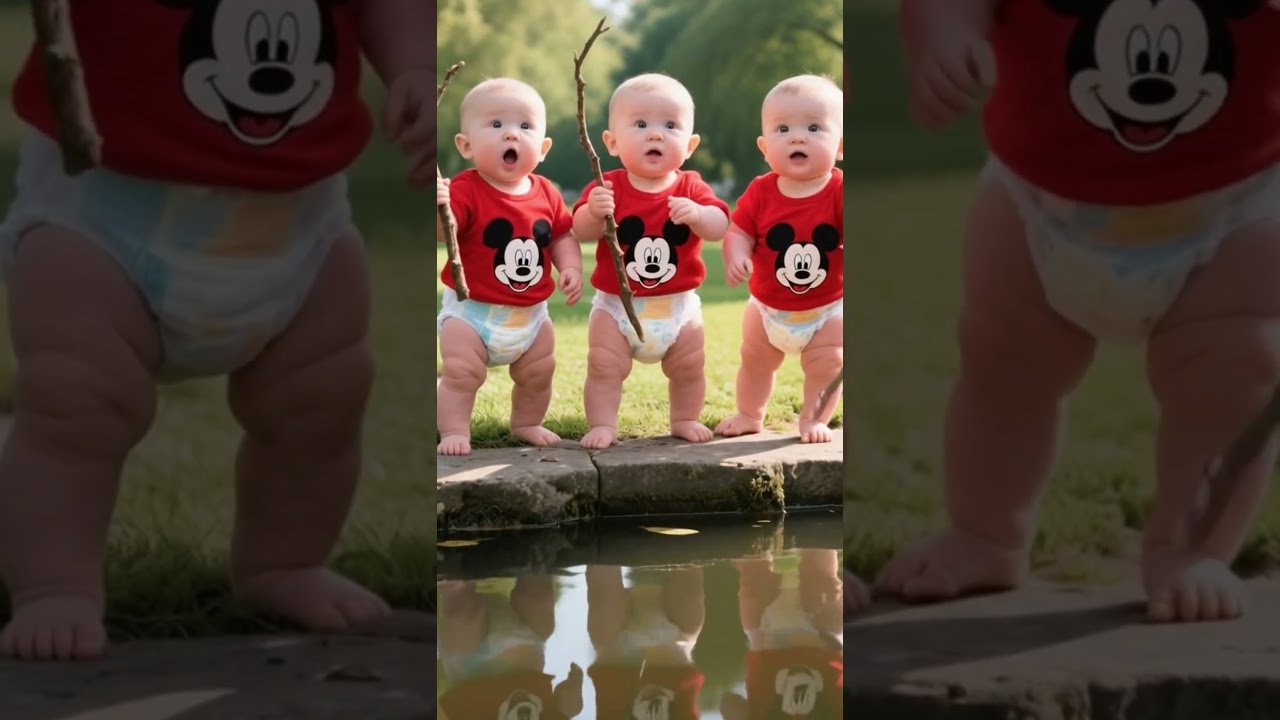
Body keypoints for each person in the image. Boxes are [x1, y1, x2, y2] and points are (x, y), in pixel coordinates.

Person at [0, 0, 433, 662]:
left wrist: (414, 66)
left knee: (321, 401)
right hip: (103, 203)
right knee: (77, 404)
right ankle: (54, 586)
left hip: (296, 218)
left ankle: (282, 564)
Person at [878, 0, 1280, 623]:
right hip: (1038, 199)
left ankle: (1190, 549)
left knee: (1231, 378)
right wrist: (944, 37)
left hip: (1235, 205)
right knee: (1003, 364)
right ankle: (987, 534)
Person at [572, 73, 731, 449]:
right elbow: (579, 231)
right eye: (641, 124)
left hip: (678, 309)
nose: (656, 134)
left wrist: (698, 215)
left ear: (690, 144)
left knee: (689, 368)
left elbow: (720, 226)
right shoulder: (607, 185)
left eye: (670, 125)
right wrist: (594, 212)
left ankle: (684, 418)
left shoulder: (691, 186)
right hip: (617, 307)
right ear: (610, 142)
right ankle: (603, 424)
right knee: (604, 368)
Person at [435, 78, 583, 456]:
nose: (511, 135)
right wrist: (437, 208)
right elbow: (441, 233)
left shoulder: (547, 192)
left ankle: (526, 422)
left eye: (525, 126)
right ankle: (454, 429)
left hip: (531, 315)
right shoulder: (465, 191)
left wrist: (571, 268)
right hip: (472, 313)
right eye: (496, 125)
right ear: (466, 145)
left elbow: (562, 236)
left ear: (544, 148)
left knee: (538, 372)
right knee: (462, 373)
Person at [718, 75, 845, 444]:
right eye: (783, 128)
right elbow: (738, 230)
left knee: (827, 364)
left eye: (814, 127)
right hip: (767, 309)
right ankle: (748, 413)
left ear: (839, 145)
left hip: (826, 311)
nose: (797, 137)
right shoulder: (760, 191)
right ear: (764, 146)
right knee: (755, 362)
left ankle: (812, 419)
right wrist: (736, 255)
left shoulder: (839, 191)